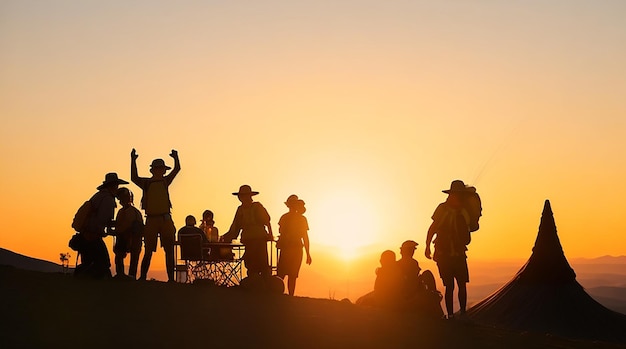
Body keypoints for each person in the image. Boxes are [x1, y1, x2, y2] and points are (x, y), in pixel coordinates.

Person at [131, 148, 181, 282]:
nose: (160, 171)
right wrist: (133, 160)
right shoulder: (147, 183)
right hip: (152, 219)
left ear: (164, 170)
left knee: (169, 249)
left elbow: (177, 169)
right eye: (158, 168)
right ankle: (142, 277)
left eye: (161, 169)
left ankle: (171, 279)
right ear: (153, 170)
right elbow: (133, 177)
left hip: (164, 218)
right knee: (148, 250)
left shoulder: (165, 181)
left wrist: (176, 157)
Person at [425, 180, 473, 319]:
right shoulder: (454, 210)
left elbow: (432, 228)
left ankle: (458, 314)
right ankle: (454, 315)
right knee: (453, 285)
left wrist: (428, 246)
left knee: (457, 285)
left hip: (451, 254)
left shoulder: (459, 211)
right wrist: (427, 245)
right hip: (449, 254)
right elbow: (433, 228)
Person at [77, 172, 128, 279]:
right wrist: (117, 228)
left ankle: (82, 276)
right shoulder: (108, 199)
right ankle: (84, 276)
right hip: (93, 235)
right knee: (104, 263)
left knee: (90, 261)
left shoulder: (99, 195)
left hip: (86, 233)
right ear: (114, 185)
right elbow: (103, 220)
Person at [221, 185, 273, 277]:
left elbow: (267, 221)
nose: (241, 198)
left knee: (262, 263)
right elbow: (235, 228)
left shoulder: (257, 207)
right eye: (240, 196)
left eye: (243, 195)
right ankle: (253, 284)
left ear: (249, 196)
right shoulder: (240, 210)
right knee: (251, 264)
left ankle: (265, 284)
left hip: (259, 239)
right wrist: (225, 237)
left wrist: (270, 234)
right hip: (248, 240)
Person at [276, 195, 312, 296]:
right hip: (295, 249)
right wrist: (308, 254)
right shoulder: (301, 219)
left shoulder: (284, 217)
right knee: (291, 275)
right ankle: (289, 295)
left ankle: (278, 294)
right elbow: (305, 237)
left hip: (288, 248)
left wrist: (308, 254)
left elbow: (281, 232)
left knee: (283, 274)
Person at [112, 187, 144, 280]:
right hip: (129, 239)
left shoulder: (129, 212)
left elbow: (125, 227)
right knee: (128, 258)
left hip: (130, 239)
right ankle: (124, 275)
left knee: (125, 257)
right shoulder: (127, 211)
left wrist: (116, 231)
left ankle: (126, 276)